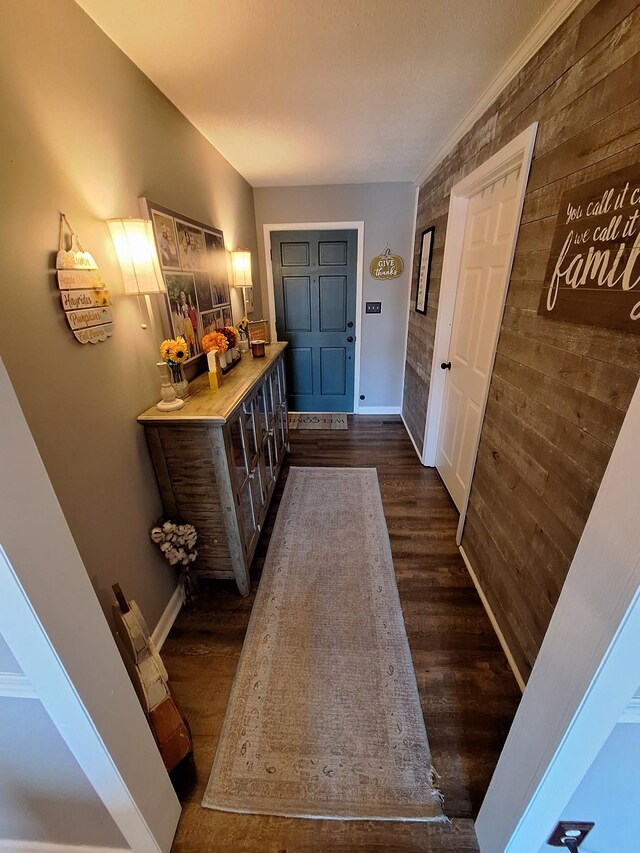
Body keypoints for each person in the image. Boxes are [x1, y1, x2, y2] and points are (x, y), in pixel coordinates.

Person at [179, 291, 196, 357]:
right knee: (187, 338)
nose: (183, 298)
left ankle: (193, 350)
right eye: (181, 296)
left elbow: (191, 315)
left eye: (183, 295)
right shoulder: (182, 307)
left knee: (192, 337)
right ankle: (190, 352)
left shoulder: (187, 306)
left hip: (189, 323)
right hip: (185, 323)